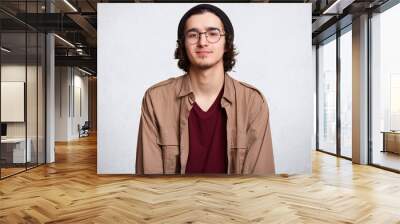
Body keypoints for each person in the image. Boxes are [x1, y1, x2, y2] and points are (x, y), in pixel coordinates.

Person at [136, 4, 275, 175]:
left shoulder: (253, 101)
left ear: (226, 43)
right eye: (193, 35)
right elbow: (150, 183)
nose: (202, 42)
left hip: (234, 201)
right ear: (183, 45)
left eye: (213, 34)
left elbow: (259, 183)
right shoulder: (155, 99)